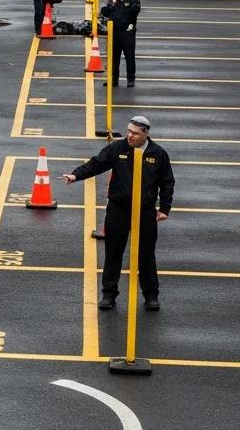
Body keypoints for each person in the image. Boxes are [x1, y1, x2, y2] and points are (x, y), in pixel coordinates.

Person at [62, 115, 174, 312]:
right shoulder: (118, 148)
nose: (130, 136)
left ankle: (151, 295)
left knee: (146, 254)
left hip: (145, 212)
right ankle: (108, 294)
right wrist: (76, 175)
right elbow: (97, 163)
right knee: (113, 252)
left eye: (135, 133)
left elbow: (167, 182)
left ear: (146, 134)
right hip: (118, 210)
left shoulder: (158, 154)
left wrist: (164, 208)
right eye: (129, 131)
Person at [101, 0, 142, 87]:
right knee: (114, 58)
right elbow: (105, 12)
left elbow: (134, 12)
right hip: (114, 33)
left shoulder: (134, 0)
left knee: (129, 57)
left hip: (127, 33)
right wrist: (113, 3)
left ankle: (130, 78)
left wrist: (121, 4)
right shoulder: (114, 0)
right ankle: (113, 79)